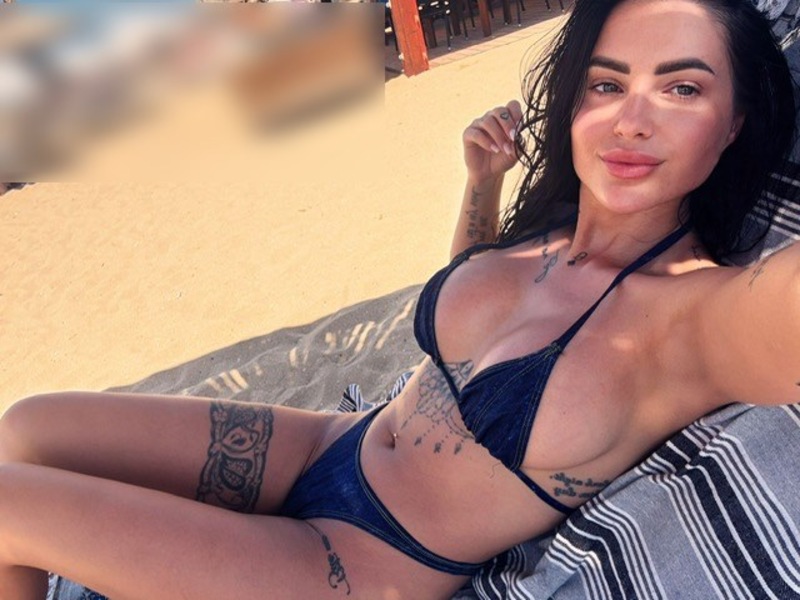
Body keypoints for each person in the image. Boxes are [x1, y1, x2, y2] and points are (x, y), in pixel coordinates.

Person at [1, 0, 798, 598]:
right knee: (28, 428)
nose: (630, 121)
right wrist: (483, 185)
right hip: (325, 446)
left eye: (682, 88)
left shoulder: (702, 319)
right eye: (607, 83)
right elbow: (472, 321)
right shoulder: (556, 223)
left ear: (733, 124)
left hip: (353, 564)